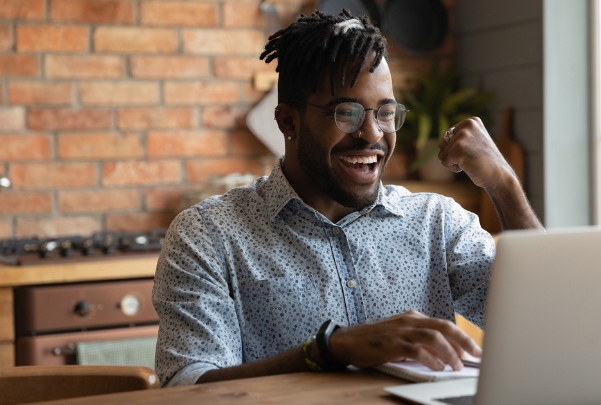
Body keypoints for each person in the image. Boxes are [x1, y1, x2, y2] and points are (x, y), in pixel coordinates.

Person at [152, 9, 543, 388]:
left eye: (385, 112)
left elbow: (546, 324)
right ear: (289, 121)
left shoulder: (437, 223)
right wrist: (327, 350)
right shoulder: (209, 235)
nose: (372, 134)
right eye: (346, 113)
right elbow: (188, 387)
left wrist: (504, 185)